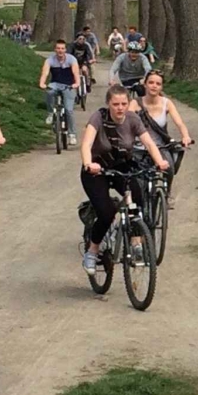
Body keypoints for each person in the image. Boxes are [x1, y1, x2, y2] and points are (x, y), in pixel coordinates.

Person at [78, 84, 169, 274]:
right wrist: (89, 164)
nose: (120, 108)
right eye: (116, 104)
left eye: (123, 104)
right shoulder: (98, 118)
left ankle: (136, 243)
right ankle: (92, 252)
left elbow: (149, 143)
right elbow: (86, 144)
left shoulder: (133, 119)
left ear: (129, 104)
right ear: (108, 104)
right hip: (97, 168)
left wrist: (160, 161)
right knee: (107, 212)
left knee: (138, 198)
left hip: (121, 166)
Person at [137, 70, 194, 182]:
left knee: (169, 170)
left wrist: (185, 136)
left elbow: (180, 123)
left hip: (160, 146)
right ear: (145, 84)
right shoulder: (135, 103)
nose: (154, 86)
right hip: (139, 147)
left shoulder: (166, 103)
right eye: (151, 82)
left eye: (158, 84)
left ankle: (166, 195)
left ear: (162, 87)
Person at [38, 39, 79, 147]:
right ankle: (51, 113)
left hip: (68, 85)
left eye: (62, 48)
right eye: (58, 48)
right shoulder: (50, 60)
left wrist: (76, 83)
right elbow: (45, 72)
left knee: (69, 110)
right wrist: (42, 83)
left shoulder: (71, 59)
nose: (60, 51)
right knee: (49, 92)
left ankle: (72, 135)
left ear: (65, 49)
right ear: (55, 49)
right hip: (55, 83)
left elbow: (76, 73)